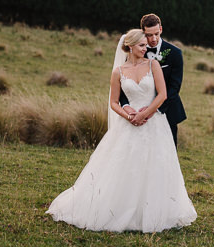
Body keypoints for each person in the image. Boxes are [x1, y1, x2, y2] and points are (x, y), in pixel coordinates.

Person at [46, 29, 197, 232]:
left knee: (156, 166)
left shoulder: (153, 65)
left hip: (154, 123)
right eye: (142, 45)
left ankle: (153, 211)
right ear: (130, 46)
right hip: (129, 124)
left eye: (147, 45)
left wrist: (146, 114)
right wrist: (128, 116)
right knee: (124, 167)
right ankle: (118, 210)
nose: (147, 48)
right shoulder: (118, 71)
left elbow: (162, 95)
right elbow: (114, 102)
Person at [120, 13, 186, 147]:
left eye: (156, 33)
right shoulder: (134, 53)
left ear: (161, 29)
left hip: (166, 111)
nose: (154, 39)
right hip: (137, 112)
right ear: (142, 32)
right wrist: (130, 109)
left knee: (166, 154)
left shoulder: (174, 53)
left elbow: (174, 88)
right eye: (149, 35)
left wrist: (151, 110)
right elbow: (125, 83)